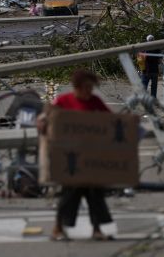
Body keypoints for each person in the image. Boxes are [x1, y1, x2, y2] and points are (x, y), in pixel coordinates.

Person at [37, 69, 114, 242]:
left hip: (92, 156)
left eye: (91, 87)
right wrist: (42, 121)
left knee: (95, 193)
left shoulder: (95, 102)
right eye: (86, 87)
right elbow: (46, 115)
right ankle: (58, 227)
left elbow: (111, 120)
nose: (89, 91)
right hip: (70, 157)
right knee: (70, 192)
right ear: (77, 87)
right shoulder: (64, 101)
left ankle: (96, 229)